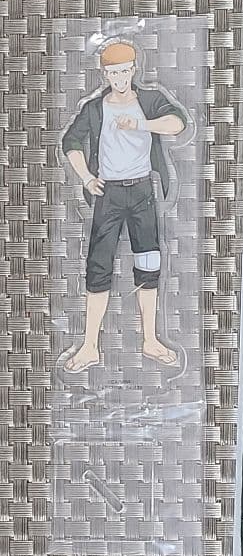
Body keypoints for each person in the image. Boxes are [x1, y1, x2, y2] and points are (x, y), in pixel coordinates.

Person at [62, 40, 187, 372]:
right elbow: (70, 141)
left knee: (149, 263)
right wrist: (87, 177)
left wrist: (141, 124)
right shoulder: (95, 108)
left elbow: (178, 123)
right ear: (104, 74)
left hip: (143, 192)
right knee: (98, 267)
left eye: (123, 71)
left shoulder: (149, 100)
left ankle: (150, 340)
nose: (118, 78)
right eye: (112, 73)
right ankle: (89, 346)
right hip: (109, 194)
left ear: (134, 69)